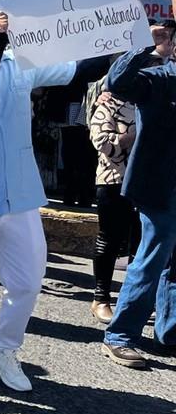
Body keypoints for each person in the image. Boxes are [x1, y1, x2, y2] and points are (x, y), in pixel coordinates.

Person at [0, 0, 111, 407]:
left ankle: (3, 348)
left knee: (27, 283)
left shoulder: (17, 62)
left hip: (20, 195)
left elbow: (81, 69)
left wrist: (122, 32)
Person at [100, 0, 176, 369]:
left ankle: (168, 331)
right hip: (158, 187)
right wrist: (146, 45)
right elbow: (116, 82)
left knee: (172, 262)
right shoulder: (160, 78)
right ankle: (122, 333)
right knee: (152, 256)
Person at [88, 80, 138, 324]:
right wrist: (132, 135)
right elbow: (102, 142)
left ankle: (133, 301)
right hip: (113, 181)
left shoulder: (155, 103)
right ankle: (101, 298)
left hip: (148, 184)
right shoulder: (111, 103)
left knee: (140, 246)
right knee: (109, 239)